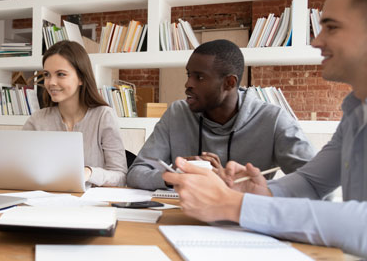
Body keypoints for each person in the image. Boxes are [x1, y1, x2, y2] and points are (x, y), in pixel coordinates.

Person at [162, 0, 367, 261]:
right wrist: (264, 193)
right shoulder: (356, 109)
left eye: (331, 27)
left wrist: (233, 205)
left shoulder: (273, 117)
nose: (317, 42)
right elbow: (313, 180)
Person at [127, 39, 315, 190]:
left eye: (199, 77)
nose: (188, 84)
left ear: (229, 83)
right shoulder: (177, 113)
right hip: (185, 219)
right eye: (188, 75)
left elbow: (315, 184)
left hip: (246, 222)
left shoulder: (274, 120)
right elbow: (136, 173)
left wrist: (246, 187)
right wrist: (175, 176)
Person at [23, 40, 127, 187]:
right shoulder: (37, 120)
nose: (51, 82)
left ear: (81, 78)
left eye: (61, 74)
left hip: (93, 206)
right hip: (46, 200)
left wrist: (89, 173)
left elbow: (120, 176)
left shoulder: (104, 116)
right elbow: (21, 170)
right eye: (47, 74)